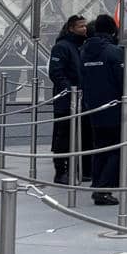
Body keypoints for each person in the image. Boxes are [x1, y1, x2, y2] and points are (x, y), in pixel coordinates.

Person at [77, 15, 125, 206]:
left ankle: (98, 184)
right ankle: (103, 189)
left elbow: (81, 77)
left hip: (92, 106)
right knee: (115, 148)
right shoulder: (114, 52)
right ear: (113, 30)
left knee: (100, 148)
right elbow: (123, 81)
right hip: (113, 106)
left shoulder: (84, 51)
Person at [47, 15, 87, 184]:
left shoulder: (80, 46)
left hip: (79, 99)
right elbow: (56, 72)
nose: (85, 29)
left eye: (85, 26)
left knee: (76, 135)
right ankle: (60, 171)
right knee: (63, 135)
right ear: (71, 28)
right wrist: (70, 91)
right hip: (67, 101)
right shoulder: (62, 47)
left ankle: (74, 169)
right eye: (81, 26)